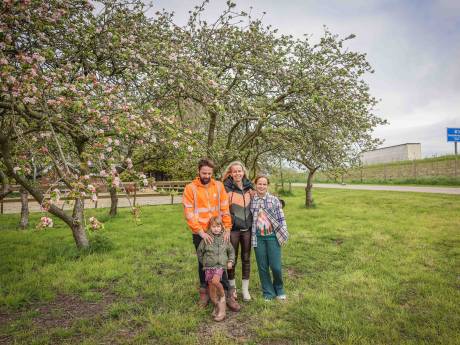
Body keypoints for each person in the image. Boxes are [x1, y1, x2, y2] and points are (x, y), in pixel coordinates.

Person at [182, 158, 241, 311]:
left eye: (209, 173)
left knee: (221, 260)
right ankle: (205, 292)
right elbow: (189, 213)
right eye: (204, 173)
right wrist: (201, 232)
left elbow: (224, 209)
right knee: (204, 262)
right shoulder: (190, 188)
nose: (207, 175)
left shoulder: (219, 186)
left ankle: (227, 294)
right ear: (198, 171)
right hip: (200, 232)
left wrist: (227, 229)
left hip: (218, 231)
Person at [250, 175, 289, 301]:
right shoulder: (252, 200)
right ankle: (268, 292)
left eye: (264, 184)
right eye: (259, 184)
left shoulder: (273, 200)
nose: (261, 186)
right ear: (255, 185)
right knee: (262, 266)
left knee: (275, 266)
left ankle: (279, 288)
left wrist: (283, 234)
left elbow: (281, 218)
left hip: (272, 236)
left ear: (267, 186)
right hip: (258, 237)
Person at [222, 161, 254, 301]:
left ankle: (245, 290)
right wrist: (226, 227)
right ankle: (232, 289)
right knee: (232, 259)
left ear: (243, 172)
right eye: (234, 171)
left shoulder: (249, 187)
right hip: (233, 230)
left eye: (239, 171)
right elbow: (222, 209)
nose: (237, 174)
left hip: (247, 229)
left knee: (246, 259)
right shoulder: (225, 188)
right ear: (230, 173)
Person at [197, 217, 236, 321]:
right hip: (209, 267)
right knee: (212, 288)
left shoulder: (225, 238)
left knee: (216, 281)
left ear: (221, 227)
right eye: (214, 226)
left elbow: (231, 251)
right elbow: (200, 252)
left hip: (220, 266)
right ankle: (217, 305)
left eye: (218, 226)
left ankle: (223, 299)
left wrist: (230, 261)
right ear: (210, 227)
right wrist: (204, 262)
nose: (216, 229)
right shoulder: (206, 238)